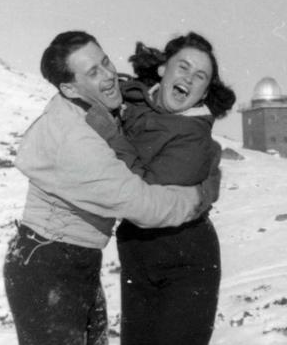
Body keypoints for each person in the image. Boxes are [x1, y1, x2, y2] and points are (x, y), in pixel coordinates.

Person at [3, 31, 219, 345]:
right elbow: (144, 205)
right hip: (49, 265)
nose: (108, 76)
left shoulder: (84, 104)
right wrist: (200, 195)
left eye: (105, 62)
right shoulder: (78, 141)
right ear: (68, 86)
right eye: (93, 72)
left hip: (74, 260)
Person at [111, 32, 235, 345]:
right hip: (137, 254)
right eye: (183, 67)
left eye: (200, 76)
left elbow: (142, 194)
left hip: (185, 260)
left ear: (205, 91)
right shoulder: (133, 100)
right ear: (164, 68)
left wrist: (111, 134)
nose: (189, 79)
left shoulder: (194, 136)